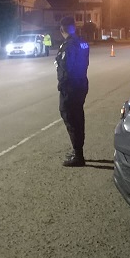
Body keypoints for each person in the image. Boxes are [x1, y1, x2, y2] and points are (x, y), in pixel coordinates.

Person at [55, 17, 90, 167]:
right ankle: (78, 151)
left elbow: (66, 68)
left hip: (71, 87)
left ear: (61, 29)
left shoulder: (68, 45)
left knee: (70, 117)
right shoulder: (82, 42)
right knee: (78, 116)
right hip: (81, 83)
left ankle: (78, 155)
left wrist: (62, 85)